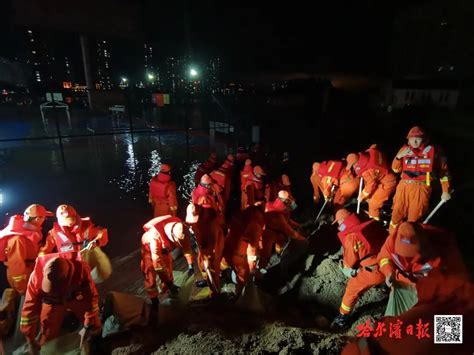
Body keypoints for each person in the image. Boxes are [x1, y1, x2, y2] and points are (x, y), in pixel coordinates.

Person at [20, 252, 101, 353]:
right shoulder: (35, 279)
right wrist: (30, 340)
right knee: (47, 334)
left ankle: (98, 341)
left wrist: (87, 325)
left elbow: (91, 298)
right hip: (52, 303)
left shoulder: (81, 270)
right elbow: (29, 310)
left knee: (94, 325)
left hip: (74, 298)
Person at [330, 209, 387, 329]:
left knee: (351, 291)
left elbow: (350, 262)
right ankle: (384, 286)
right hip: (387, 264)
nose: (339, 226)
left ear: (342, 221)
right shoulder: (369, 224)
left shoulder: (351, 237)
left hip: (373, 272)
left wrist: (345, 267)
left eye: (339, 223)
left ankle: (342, 317)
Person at [389, 126, 451, 232]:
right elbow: (395, 169)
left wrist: (445, 191)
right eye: (411, 138)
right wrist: (398, 157)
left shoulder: (435, 151)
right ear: (408, 139)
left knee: (414, 219)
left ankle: (408, 243)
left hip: (421, 188)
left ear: (424, 138)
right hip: (403, 187)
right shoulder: (404, 150)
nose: (415, 141)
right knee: (396, 215)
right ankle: (391, 239)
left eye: (418, 138)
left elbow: (444, 172)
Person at [140, 216, 194, 308]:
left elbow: (187, 247)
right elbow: (158, 264)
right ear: (172, 237)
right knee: (150, 274)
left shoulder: (180, 227)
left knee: (168, 269)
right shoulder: (155, 238)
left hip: (164, 249)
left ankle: (169, 291)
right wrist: (170, 284)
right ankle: (155, 301)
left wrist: (190, 265)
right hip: (149, 251)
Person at [0, 204, 53, 295]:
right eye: (44, 218)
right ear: (37, 219)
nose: (44, 220)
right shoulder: (18, 238)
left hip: (30, 273)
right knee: (23, 306)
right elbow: (16, 265)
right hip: (23, 280)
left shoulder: (28, 233)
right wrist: (22, 287)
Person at [222, 206, 265, 296]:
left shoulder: (237, 218)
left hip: (226, 250)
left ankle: (224, 279)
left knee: (226, 266)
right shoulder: (255, 226)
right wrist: (252, 268)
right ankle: (239, 295)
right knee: (243, 278)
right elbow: (251, 251)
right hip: (238, 257)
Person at [345, 145, 397, 221]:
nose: (353, 167)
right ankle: (382, 211)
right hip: (381, 179)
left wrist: (362, 195)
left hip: (388, 183)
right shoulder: (367, 155)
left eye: (353, 165)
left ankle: (375, 221)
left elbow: (370, 185)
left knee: (373, 204)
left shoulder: (367, 171)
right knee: (369, 198)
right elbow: (374, 146)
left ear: (356, 163)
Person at [39, 204, 108, 255]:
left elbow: (102, 233)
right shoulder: (53, 232)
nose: (69, 223)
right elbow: (46, 249)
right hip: (69, 264)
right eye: (66, 221)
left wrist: (96, 242)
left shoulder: (87, 226)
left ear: (75, 215)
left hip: (87, 261)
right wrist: (42, 255)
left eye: (71, 220)